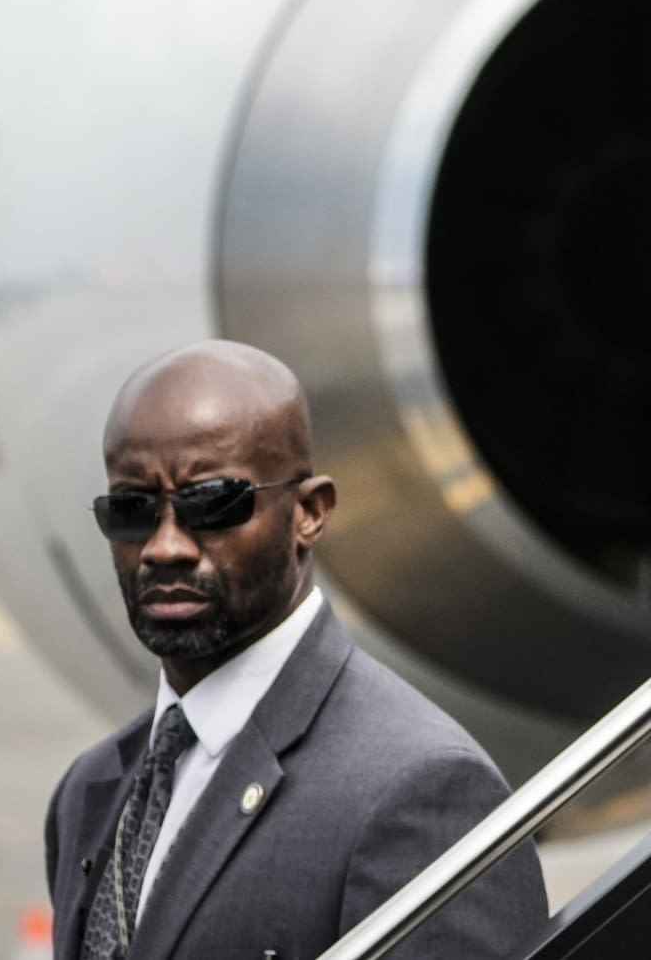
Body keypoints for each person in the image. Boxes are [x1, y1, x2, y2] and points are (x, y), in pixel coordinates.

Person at [44, 340, 546, 960]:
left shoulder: (421, 791)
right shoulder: (91, 788)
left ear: (310, 512)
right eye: (131, 509)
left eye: (213, 503)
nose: (164, 546)